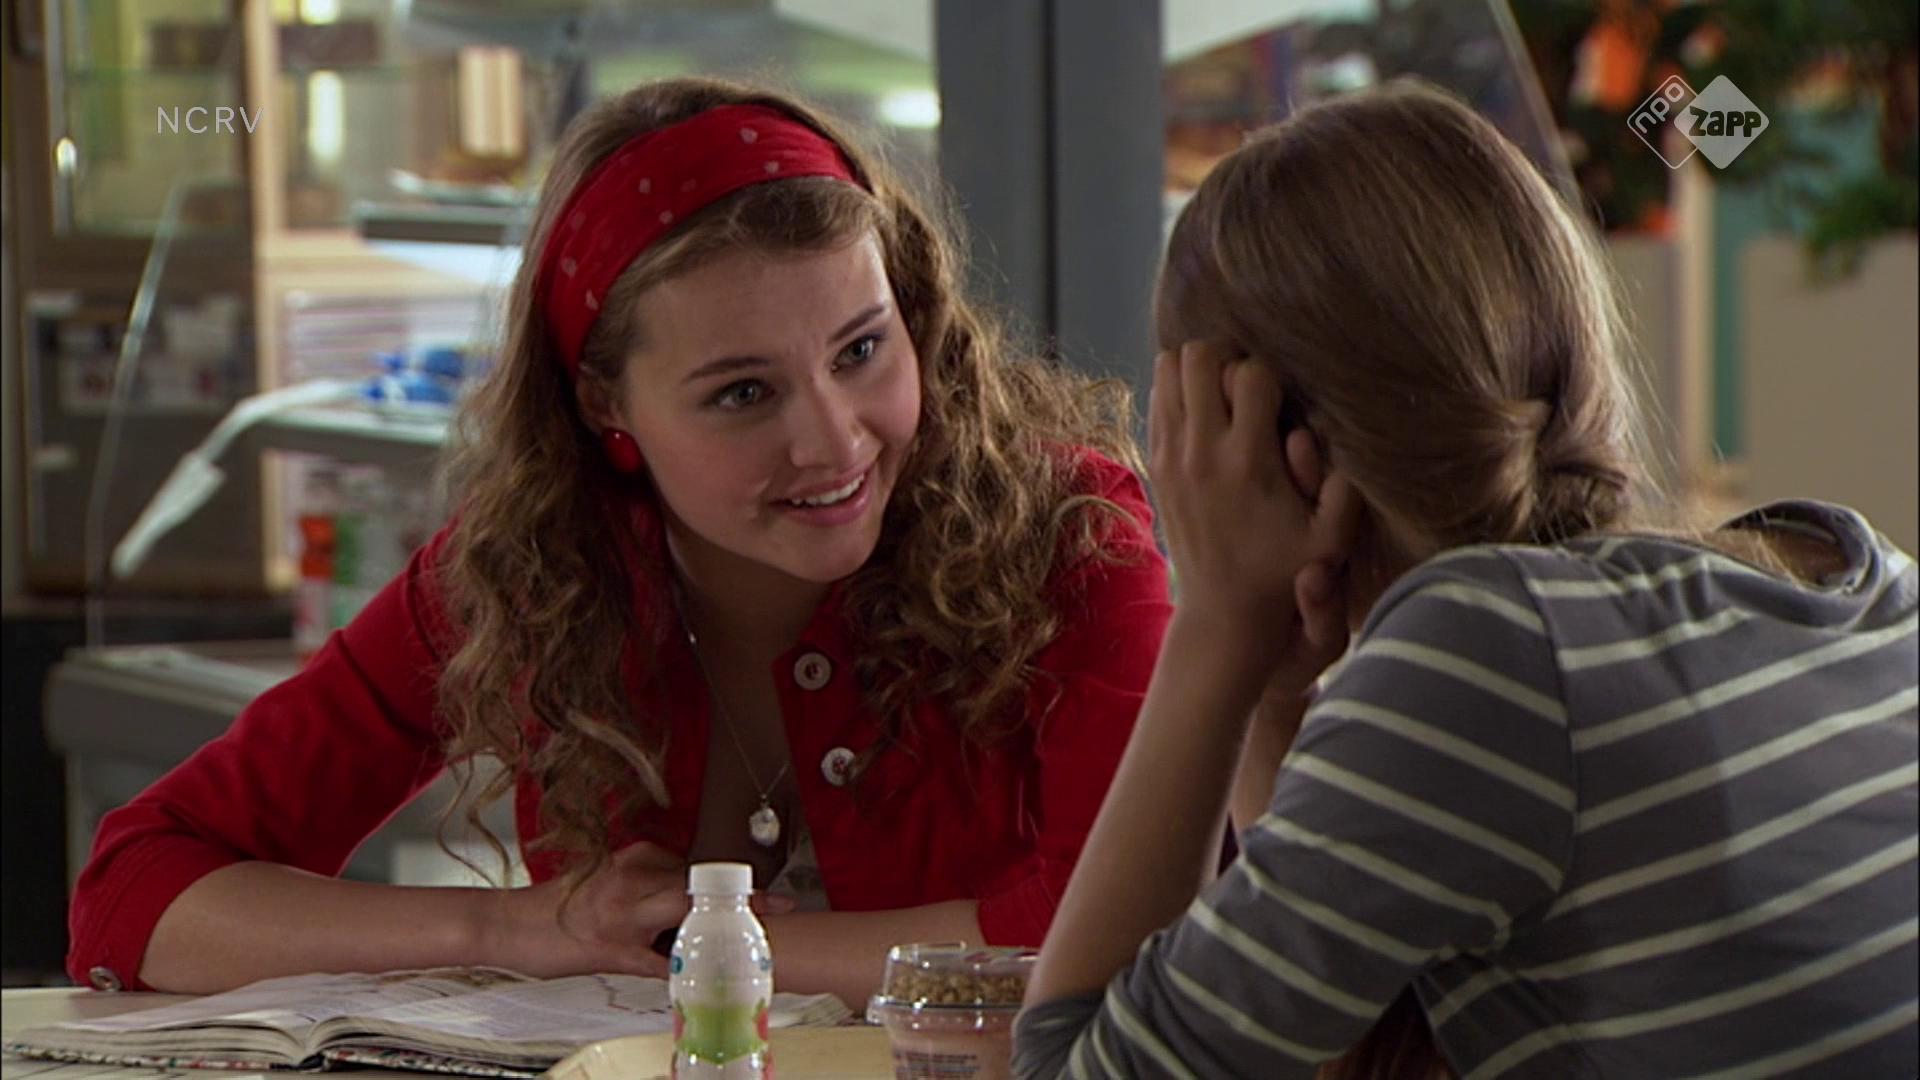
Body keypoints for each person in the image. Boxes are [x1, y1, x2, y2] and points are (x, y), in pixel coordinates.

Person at [67, 78, 1173, 1008]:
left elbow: (1136, 925)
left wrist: (697, 954)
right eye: (743, 393)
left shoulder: (1068, 531)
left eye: (861, 351)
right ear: (605, 405)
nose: (836, 440)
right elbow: (135, 896)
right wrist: (515, 929)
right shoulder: (526, 569)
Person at [1015, 83, 1918, 1078]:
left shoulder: (1495, 651)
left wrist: (1218, 624)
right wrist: (1272, 697)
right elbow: (1339, 1031)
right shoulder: (1856, 575)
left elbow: (1074, 1070)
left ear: (1265, 446)